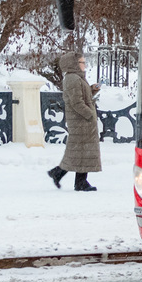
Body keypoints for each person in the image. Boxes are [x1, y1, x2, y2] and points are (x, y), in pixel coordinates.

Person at [48, 50, 101, 191]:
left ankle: (60, 174)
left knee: (80, 152)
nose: (84, 65)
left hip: (82, 120)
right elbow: (76, 102)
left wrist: (92, 89)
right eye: (82, 62)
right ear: (74, 64)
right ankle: (79, 182)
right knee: (83, 151)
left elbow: (83, 95)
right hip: (81, 121)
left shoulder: (77, 78)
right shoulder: (72, 79)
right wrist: (90, 114)